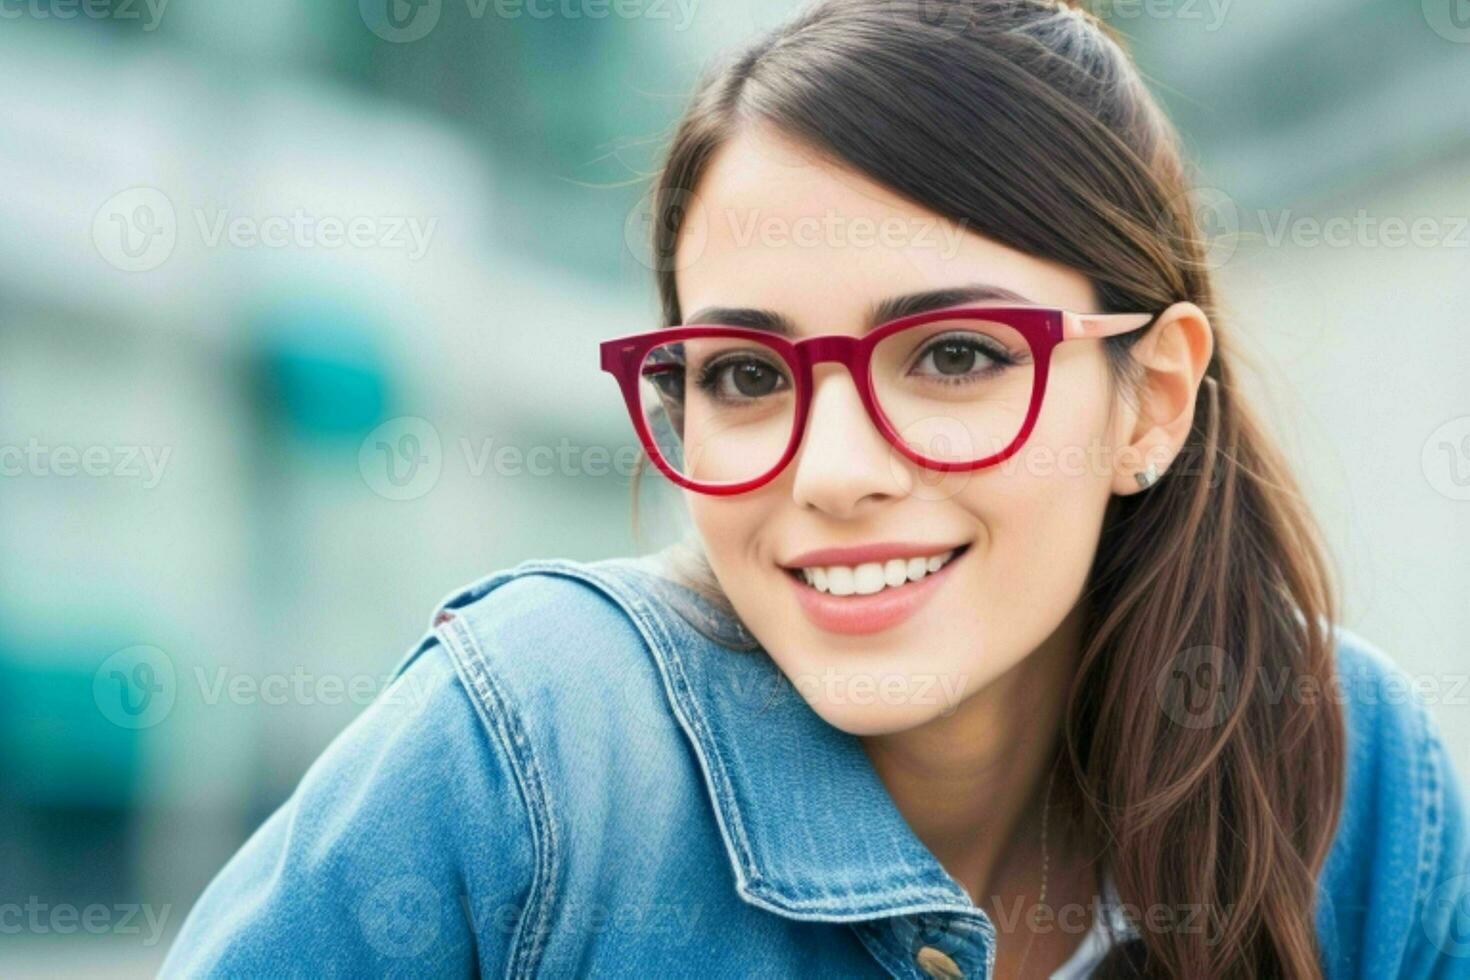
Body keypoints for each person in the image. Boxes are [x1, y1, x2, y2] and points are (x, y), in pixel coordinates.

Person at [162, 1, 1470, 976]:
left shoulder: (1354, 782)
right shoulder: (533, 752)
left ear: (1153, 399)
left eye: (952, 356)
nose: (831, 472)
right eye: (741, 374)